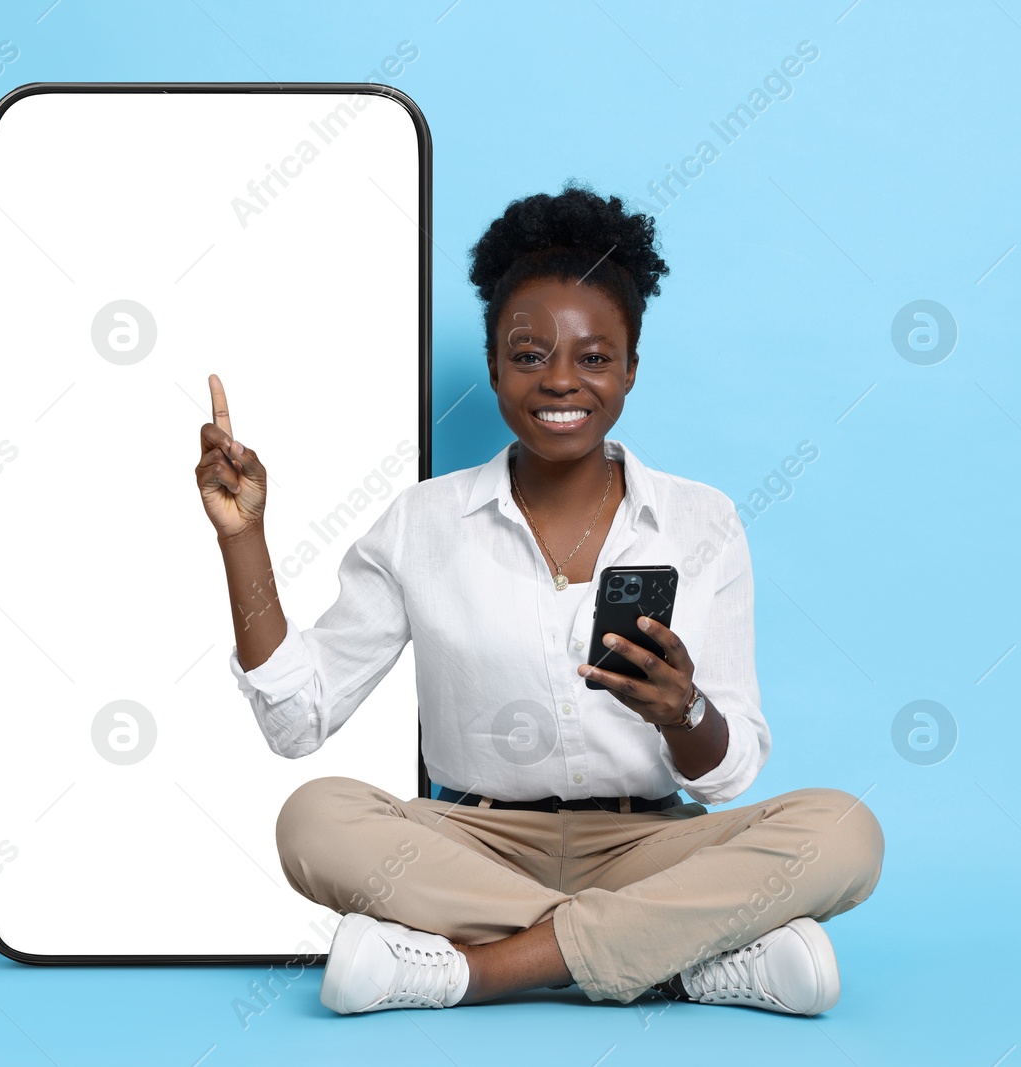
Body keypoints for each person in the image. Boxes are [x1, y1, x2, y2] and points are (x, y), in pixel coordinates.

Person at [194, 180, 883, 1017]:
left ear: (631, 367)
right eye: (529, 355)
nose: (562, 381)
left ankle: (475, 971)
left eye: (594, 357)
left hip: (651, 843)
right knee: (313, 819)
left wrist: (683, 709)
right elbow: (295, 719)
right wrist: (243, 538)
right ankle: (683, 958)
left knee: (846, 830)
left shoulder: (703, 521)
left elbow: (731, 776)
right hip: (474, 846)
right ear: (494, 366)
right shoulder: (423, 521)